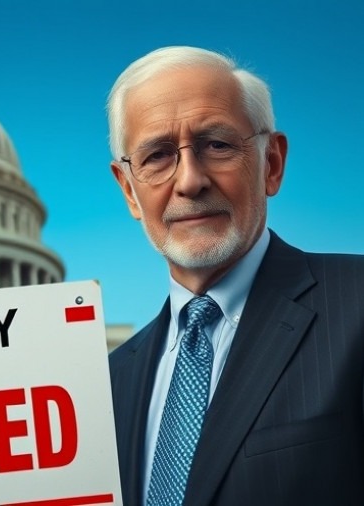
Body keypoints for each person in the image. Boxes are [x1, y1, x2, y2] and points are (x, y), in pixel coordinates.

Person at [106, 46, 364, 505]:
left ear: (271, 164)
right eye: (158, 156)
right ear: (129, 190)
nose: (189, 181)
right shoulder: (108, 382)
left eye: (217, 145)